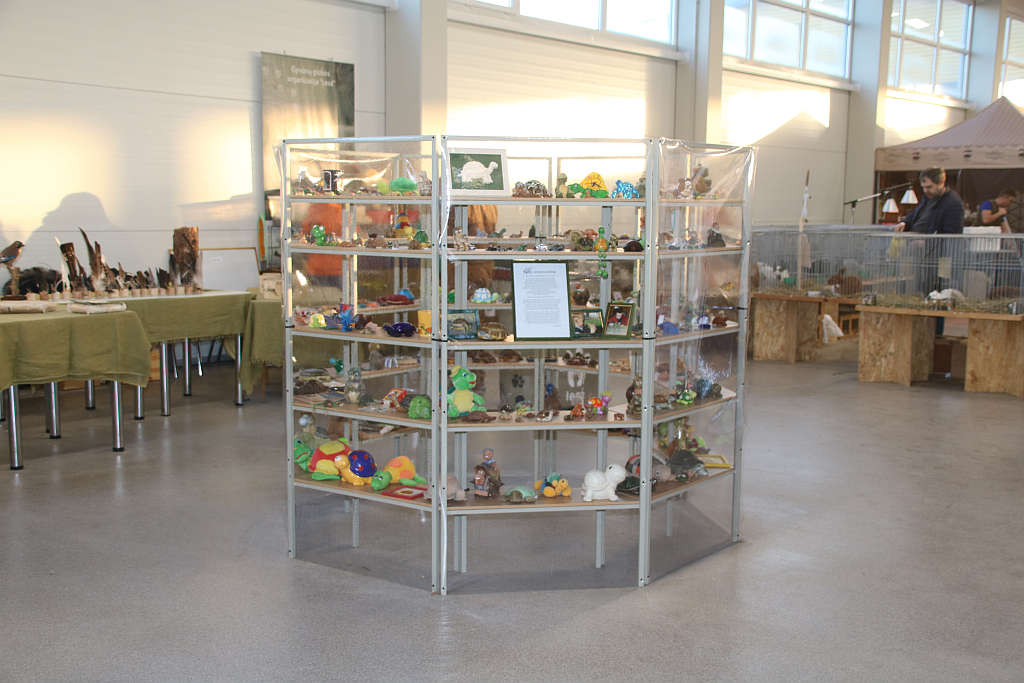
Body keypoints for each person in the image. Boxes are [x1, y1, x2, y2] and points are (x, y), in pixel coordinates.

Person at [894, 168, 964, 234]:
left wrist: (927, 241)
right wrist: (904, 222)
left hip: (930, 242)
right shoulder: (928, 197)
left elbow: (951, 236)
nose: (925, 191)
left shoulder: (953, 203)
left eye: (929, 187)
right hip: (914, 238)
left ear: (941, 183)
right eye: (923, 187)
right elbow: (915, 214)